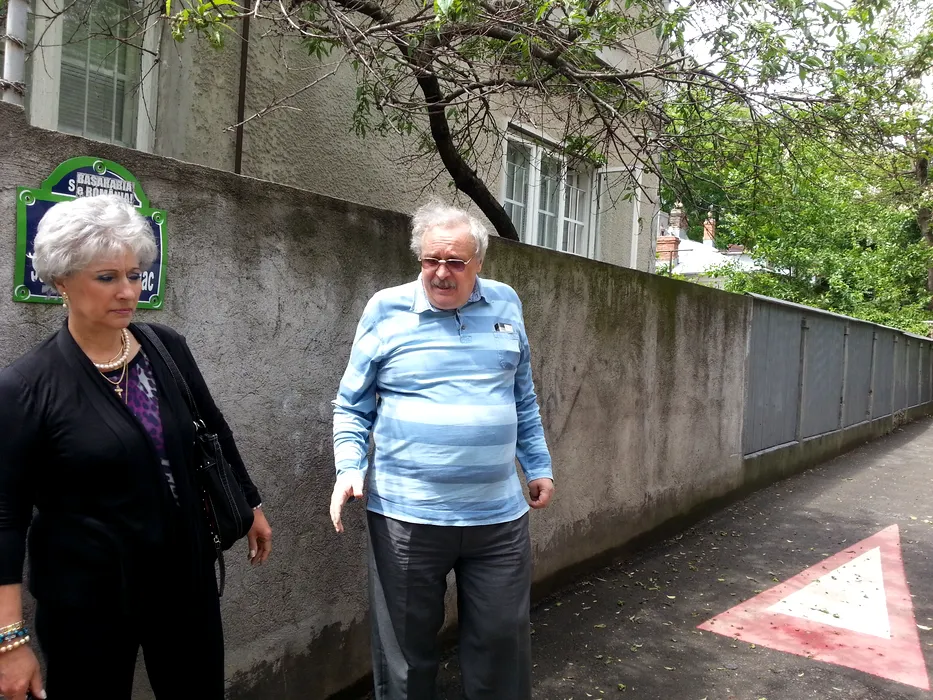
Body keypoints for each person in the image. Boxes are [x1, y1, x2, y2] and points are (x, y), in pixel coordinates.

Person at [0, 194, 272, 700]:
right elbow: (5, 516)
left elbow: (212, 428)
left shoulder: (165, 348)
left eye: (134, 274)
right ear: (61, 282)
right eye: (107, 277)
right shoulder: (27, 387)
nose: (128, 291)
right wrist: (9, 640)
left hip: (185, 580)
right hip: (88, 601)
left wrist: (249, 503)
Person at [330, 201, 555, 700]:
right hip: (407, 518)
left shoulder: (506, 303)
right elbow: (351, 405)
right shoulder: (385, 309)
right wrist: (349, 466)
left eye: (455, 262)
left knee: (501, 648)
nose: (441, 272)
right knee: (406, 661)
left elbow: (522, 397)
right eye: (431, 260)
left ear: (479, 263)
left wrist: (537, 465)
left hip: (498, 520)